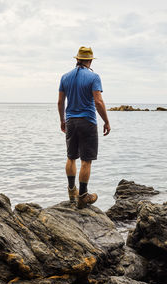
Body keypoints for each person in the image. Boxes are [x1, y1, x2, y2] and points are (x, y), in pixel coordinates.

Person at [58, 46, 110, 209]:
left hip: (71, 121)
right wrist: (106, 121)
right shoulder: (94, 77)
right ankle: (83, 196)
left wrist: (62, 120)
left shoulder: (65, 77)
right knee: (86, 161)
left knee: (71, 157)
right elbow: (98, 101)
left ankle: (72, 192)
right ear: (89, 61)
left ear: (77, 59)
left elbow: (60, 102)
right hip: (87, 121)